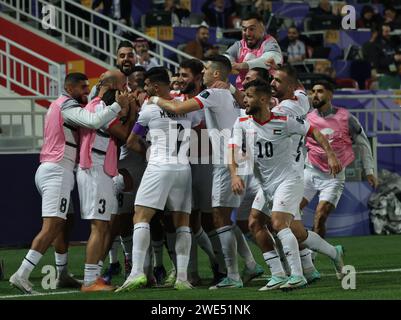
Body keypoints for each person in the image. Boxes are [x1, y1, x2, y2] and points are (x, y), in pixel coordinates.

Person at [148, 55, 262, 289]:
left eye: (207, 69)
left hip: (225, 160)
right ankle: (248, 265)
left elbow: (177, 108)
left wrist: (154, 99)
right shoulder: (227, 94)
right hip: (234, 158)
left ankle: (233, 274)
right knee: (223, 216)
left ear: (217, 74)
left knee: (219, 217)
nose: (204, 72)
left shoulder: (212, 94)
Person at [9, 72, 128, 294]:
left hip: (54, 168)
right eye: (83, 87)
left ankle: (62, 274)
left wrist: (101, 85)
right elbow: (93, 120)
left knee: (66, 223)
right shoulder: (67, 106)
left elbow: (93, 99)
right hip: (57, 171)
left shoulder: (62, 104)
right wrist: (116, 107)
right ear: (70, 88)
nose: (87, 90)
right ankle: (22, 273)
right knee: (53, 226)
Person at [229, 79, 342, 290]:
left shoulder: (284, 120)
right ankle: (332, 253)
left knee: (278, 222)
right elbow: (233, 147)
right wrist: (234, 174)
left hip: (290, 180)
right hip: (267, 185)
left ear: (263, 99)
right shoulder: (242, 122)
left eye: (249, 96)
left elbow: (314, 131)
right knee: (280, 229)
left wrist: (331, 154)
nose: (244, 100)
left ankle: (296, 275)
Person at [116, 67, 200, 292]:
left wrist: (148, 149)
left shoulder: (149, 109)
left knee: (141, 217)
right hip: (183, 168)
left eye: (146, 86)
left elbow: (132, 141)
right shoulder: (187, 107)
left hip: (159, 166)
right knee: (182, 222)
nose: (144, 90)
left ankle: (136, 273)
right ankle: (182, 277)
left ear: (155, 87)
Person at [301, 80, 378, 238]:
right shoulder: (306, 119)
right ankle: (300, 253)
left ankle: (314, 258)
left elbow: (363, 143)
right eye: (313, 91)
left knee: (320, 216)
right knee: (290, 212)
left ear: (330, 94)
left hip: (333, 177)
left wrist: (369, 171)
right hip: (309, 172)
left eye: (320, 91)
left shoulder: (346, 118)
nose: (315, 95)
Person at [77, 75, 133, 292]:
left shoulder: (100, 107)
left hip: (102, 169)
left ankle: (95, 277)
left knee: (105, 224)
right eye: (122, 86)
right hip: (95, 169)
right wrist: (127, 109)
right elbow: (124, 134)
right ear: (111, 87)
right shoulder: (99, 107)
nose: (124, 90)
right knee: (99, 226)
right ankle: (90, 281)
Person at [224, 12, 282, 90]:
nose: (248, 33)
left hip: (266, 92)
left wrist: (242, 65)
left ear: (262, 29)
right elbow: (224, 60)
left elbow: (267, 61)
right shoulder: (239, 45)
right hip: (242, 92)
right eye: (244, 29)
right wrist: (228, 66)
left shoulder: (270, 42)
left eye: (252, 29)